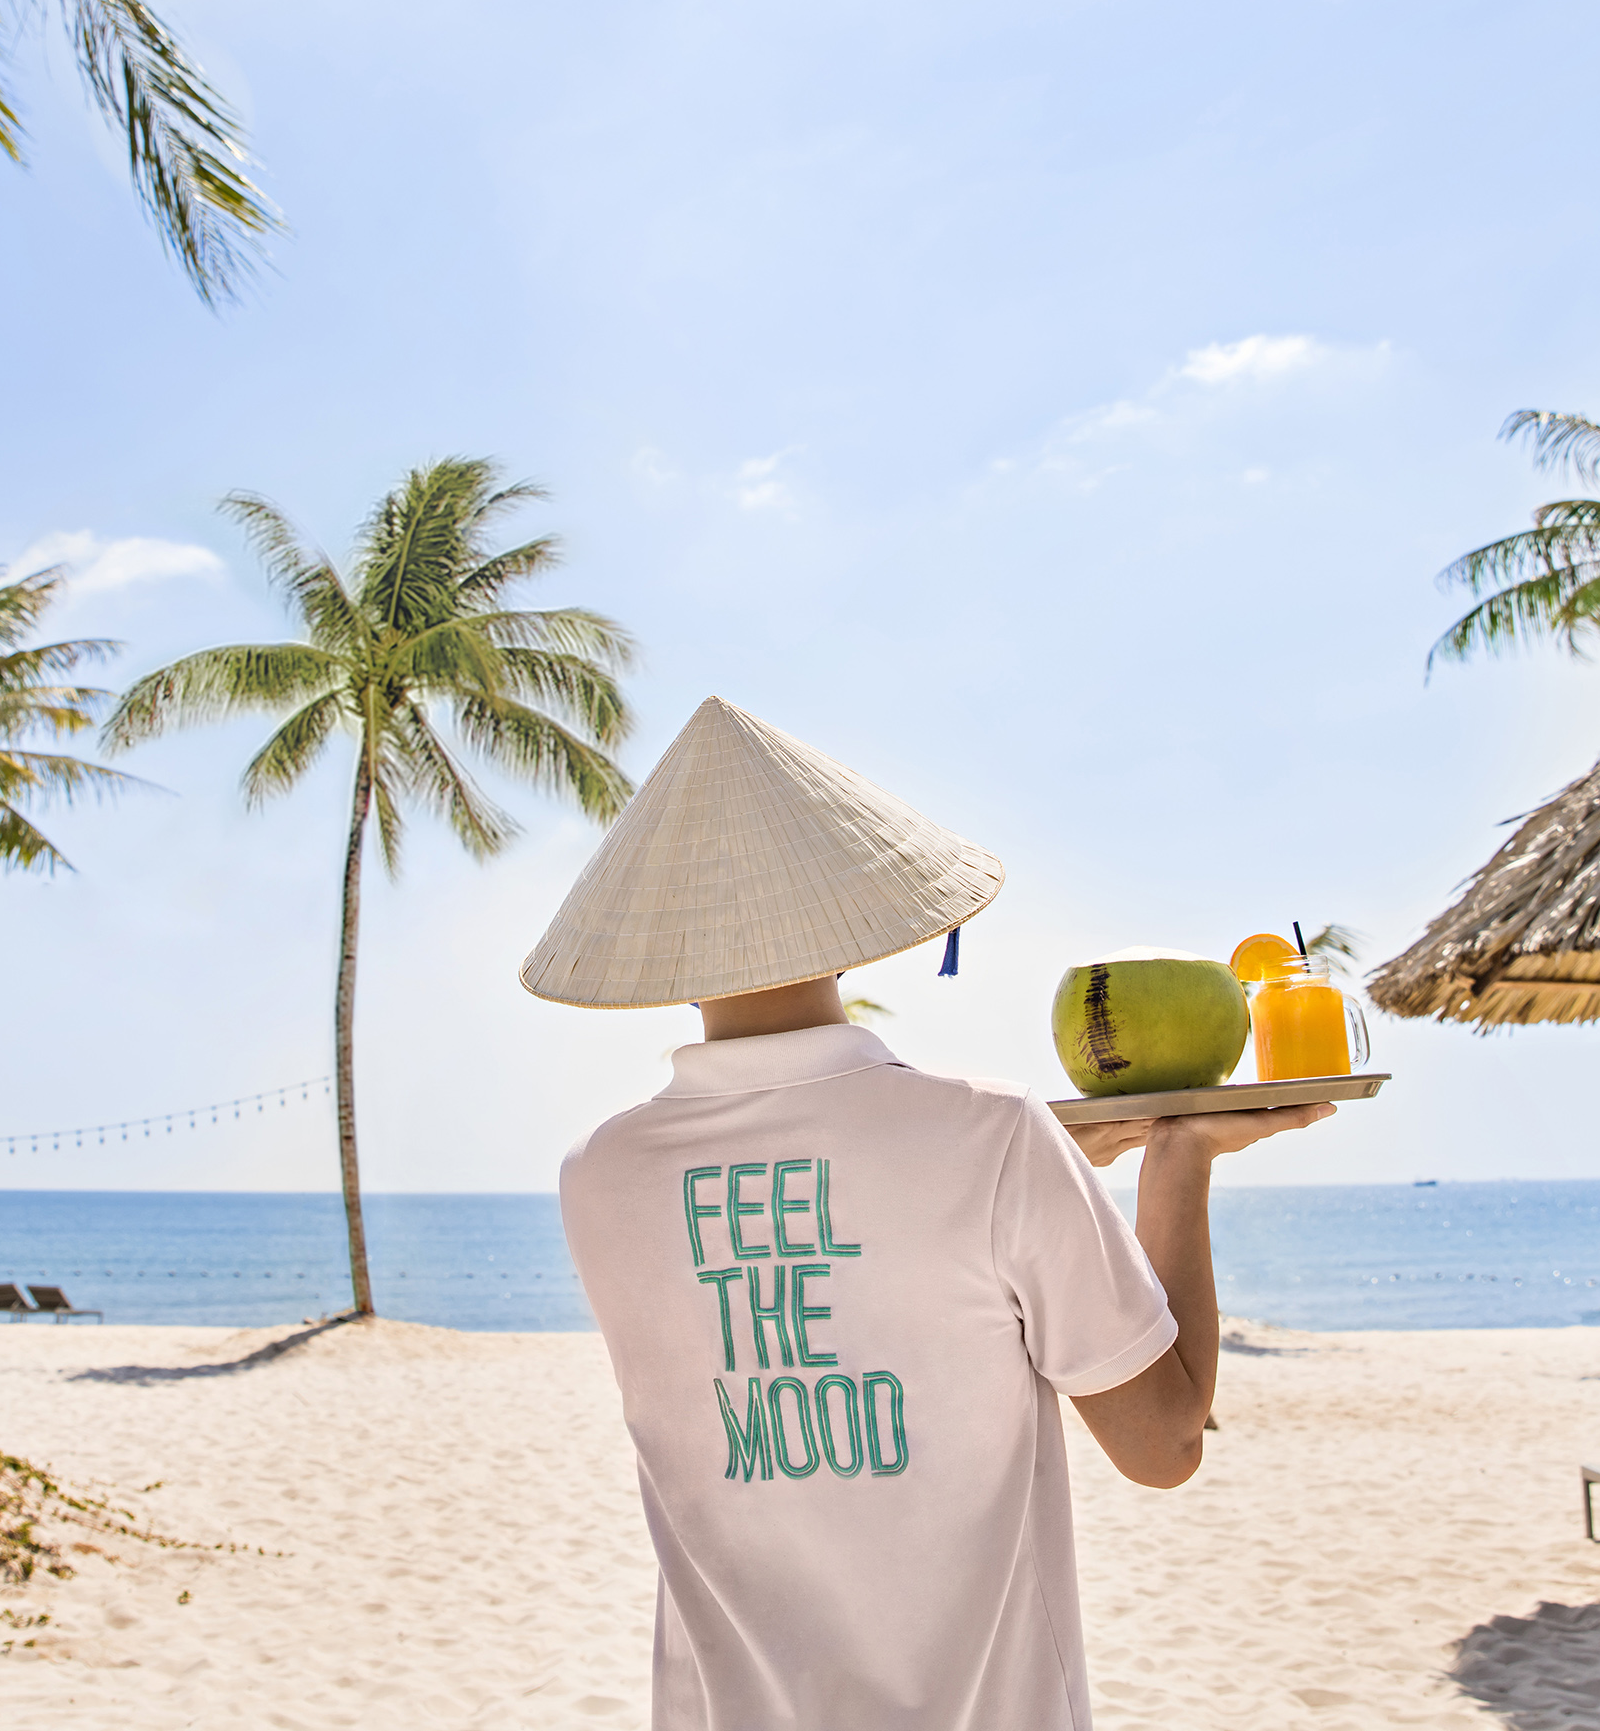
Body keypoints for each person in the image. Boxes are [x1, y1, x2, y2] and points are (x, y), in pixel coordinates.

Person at [530, 696, 1330, 1730]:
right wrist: (1177, 1160)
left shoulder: (597, 1173)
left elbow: (822, 1210)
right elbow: (1162, 1443)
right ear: (853, 917)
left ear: (663, 941)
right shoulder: (992, 1135)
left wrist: (1044, 1168)